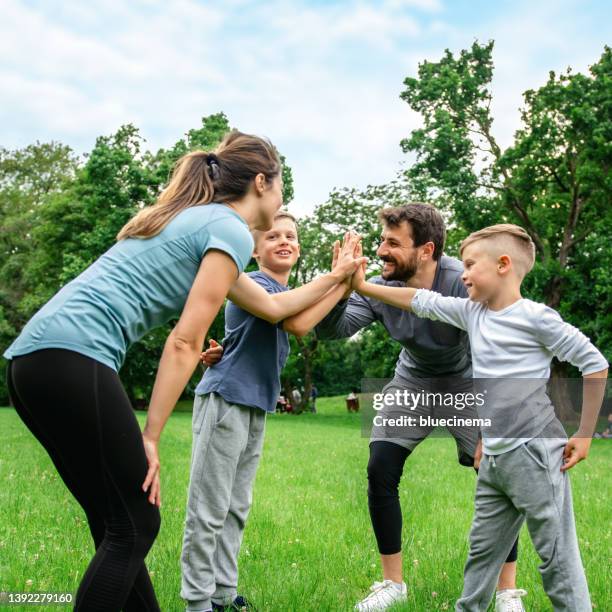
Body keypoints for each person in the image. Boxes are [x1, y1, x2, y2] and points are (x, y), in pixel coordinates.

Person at [3, 131, 364, 611]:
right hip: (76, 355)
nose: (282, 198)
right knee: (137, 524)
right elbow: (184, 341)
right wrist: (149, 436)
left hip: (34, 363)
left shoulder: (200, 223)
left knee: (116, 521)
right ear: (261, 183)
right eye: (281, 187)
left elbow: (276, 310)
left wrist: (337, 277)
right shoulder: (230, 229)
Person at [350, 223, 608, 612]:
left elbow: (594, 363)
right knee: (481, 558)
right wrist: (363, 286)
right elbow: (420, 300)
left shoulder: (537, 318)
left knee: (556, 559)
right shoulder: (472, 314)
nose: (462, 273)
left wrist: (585, 433)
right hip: (495, 459)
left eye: (471, 265)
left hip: (535, 453)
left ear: (504, 264)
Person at [283, 204, 524, 612]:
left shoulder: (462, 278)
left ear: (426, 250)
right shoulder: (380, 286)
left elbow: (499, 341)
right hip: (414, 380)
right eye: (381, 241)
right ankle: (393, 585)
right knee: (381, 467)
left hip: (471, 379)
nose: (380, 251)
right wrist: (342, 285)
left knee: (495, 473)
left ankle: (506, 593)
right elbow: (332, 329)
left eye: (393, 243)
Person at [180, 211, 311, 612]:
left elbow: (299, 316)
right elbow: (291, 319)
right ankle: (198, 601)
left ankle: (223, 593)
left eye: (291, 235)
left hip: (255, 406)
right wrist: (339, 278)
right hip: (225, 401)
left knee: (236, 507)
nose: (284, 240)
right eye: (272, 236)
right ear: (254, 250)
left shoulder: (284, 292)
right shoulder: (255, 283)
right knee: (209, 507)